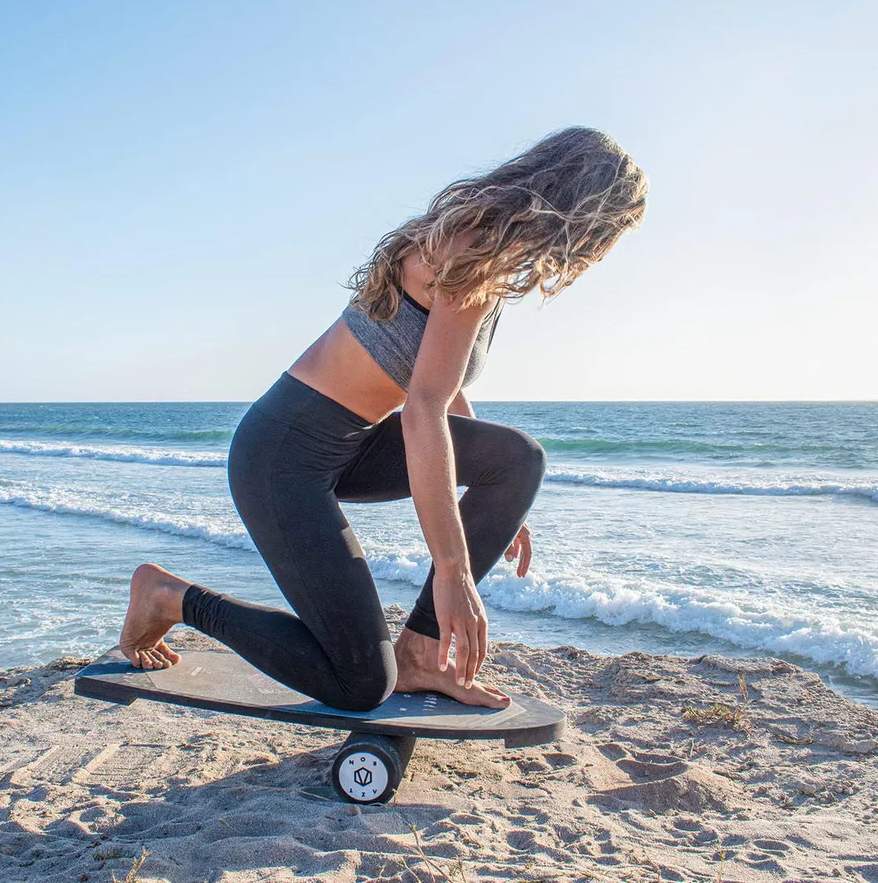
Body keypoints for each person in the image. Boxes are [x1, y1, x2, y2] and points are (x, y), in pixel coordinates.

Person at [119, 126, 648, 710]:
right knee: (360, 682)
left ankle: (422, 657)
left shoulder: (479, 245)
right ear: (584, 211)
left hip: (353, 445)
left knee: (516, 458)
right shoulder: (470, 252)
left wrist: (488, 489)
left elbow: (439, 392)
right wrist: (452, 570)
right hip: (283, 455)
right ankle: (170, 597)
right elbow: (422, 411)